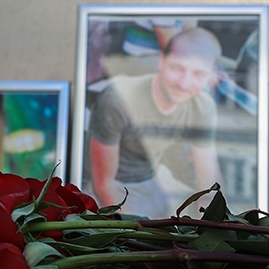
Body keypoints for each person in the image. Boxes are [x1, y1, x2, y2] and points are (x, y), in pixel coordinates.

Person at [87, 27, 223, 217]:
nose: (184, 83)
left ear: (211, 76)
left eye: (198, 74)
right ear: (161, 61)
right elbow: (103, 183)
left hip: (149, 178)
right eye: (177, 68)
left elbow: (208, 180)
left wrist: (215, 224)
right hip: (101, 185)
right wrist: (134, 229)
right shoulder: (117, 99)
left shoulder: (202, 106)